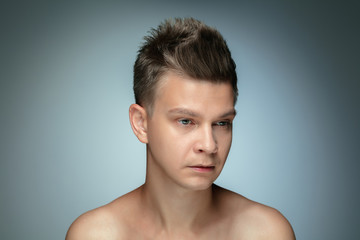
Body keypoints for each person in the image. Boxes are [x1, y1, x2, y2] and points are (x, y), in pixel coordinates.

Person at [66, 17, 295, 239]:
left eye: (222, 123)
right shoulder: (96, 235)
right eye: (186, 121)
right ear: (141, 124)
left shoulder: (265, 233)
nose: (209, 145)